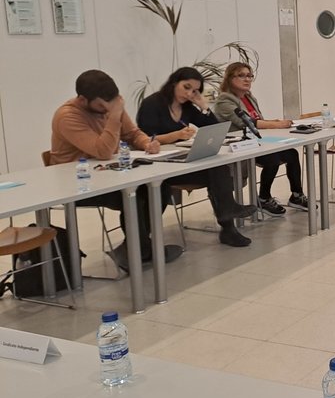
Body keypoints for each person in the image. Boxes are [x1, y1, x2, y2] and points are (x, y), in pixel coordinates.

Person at [50, 70, 173, 268]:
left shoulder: (110, 105)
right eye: (101, 105)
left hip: (107, 174)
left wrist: (146, 143)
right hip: (77, 184)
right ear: (82, 99)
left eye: (110, 105)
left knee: (159, 187)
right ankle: (140, 250)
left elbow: (132, 134)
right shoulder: (67, 116)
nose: (106, 110)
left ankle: (134, 248)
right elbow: (103, 151)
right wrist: (115, 115)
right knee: (131, 195)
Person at [137, 67, 257, 247]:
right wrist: (175, 135)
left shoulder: (187, 107)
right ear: (173, 83)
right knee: (215, 171)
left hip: (179, 161)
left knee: (217, 167)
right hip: (157, 164)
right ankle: (228, 212)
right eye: (186, 87)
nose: (188, 93)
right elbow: (143, 138)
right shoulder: (152, 104)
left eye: (194, 90)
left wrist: (204, 107)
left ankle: (228, 227)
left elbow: (215, 127)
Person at [213, 62, 308, 215]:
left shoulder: (249, 97)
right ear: (230, 79)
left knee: (291, 154)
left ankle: (296, 196)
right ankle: (263, 199)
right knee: (272, 158)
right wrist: (277, 125)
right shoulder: (224, 101)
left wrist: (275, 122)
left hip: (257, 142)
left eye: (250, 76)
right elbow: (249, 123)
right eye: (241, 75)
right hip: (239, 147)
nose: (247, 79)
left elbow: (258, 120)